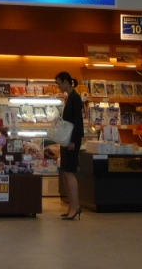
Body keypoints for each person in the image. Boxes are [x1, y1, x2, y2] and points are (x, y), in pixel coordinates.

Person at [55, 71, 85, 219]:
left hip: (71, 141)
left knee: (70, 173)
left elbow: (78, 122)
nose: (58, 86)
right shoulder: (69, 97)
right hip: (66, 140)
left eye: (59, 83)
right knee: (66, 172)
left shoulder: (75, 98)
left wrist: (73, 140)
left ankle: (75, 206)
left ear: (66, 82)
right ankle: (71, 206)